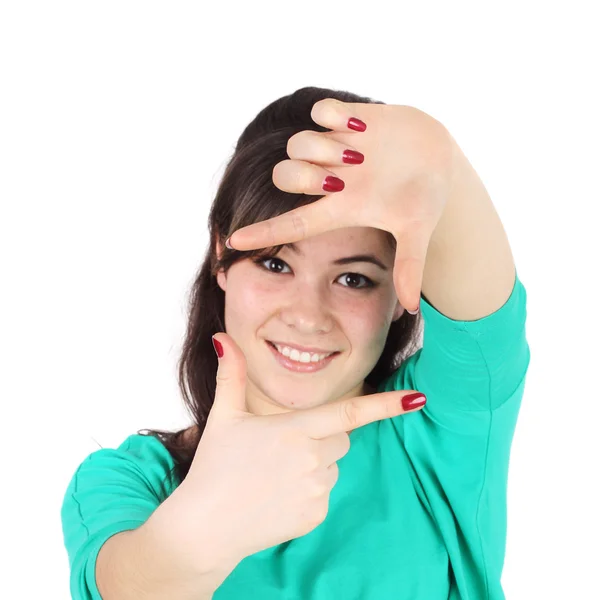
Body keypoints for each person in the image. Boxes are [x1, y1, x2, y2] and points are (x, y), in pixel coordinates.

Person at [61, 86, 530, 599]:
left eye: (354, 278)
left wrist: (449, 170)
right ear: (222, 253)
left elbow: (486, 320)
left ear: (401, 288)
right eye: (275, 263)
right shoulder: (126, 480)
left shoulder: (436, 426)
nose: (307, 317)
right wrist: (198, 539)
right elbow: (124, 586)